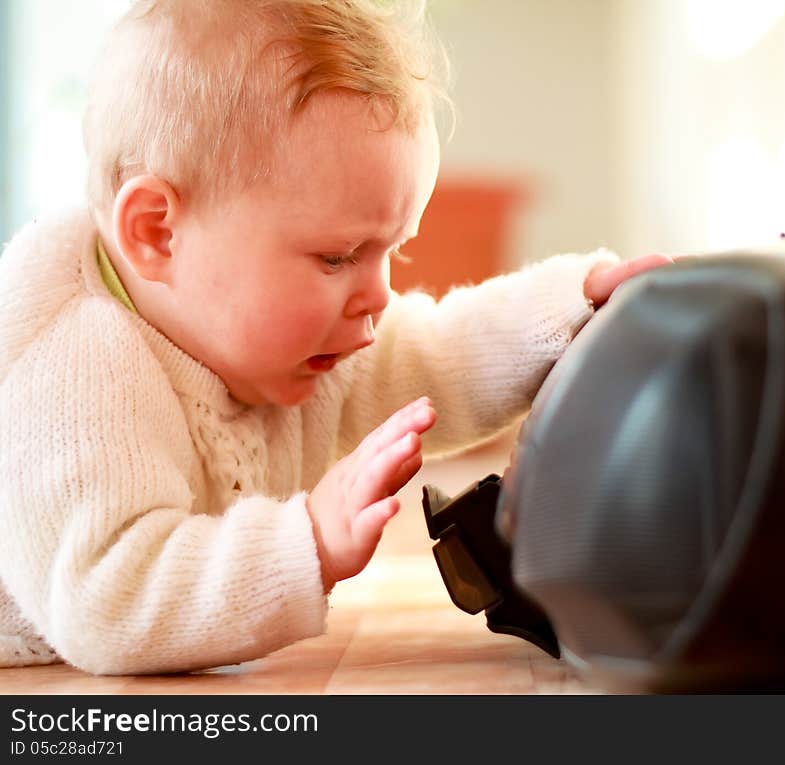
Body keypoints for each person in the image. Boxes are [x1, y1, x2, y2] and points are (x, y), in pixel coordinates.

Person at [0, 0, 670, 675]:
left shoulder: (281, 342)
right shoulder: (74, 366)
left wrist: (572, 305)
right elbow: (106, 603)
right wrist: (307, 541)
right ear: (157, 233)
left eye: (392, 253)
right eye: (336, 257)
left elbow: (432, 358)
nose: (379, 292)